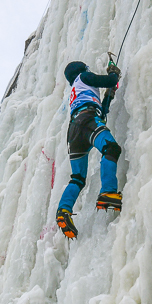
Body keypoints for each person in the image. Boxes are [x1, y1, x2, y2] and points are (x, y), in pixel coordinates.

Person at [56, 59, 122, 238]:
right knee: (111, 148)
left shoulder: (75, 91)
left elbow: (103, 109)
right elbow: (107, 80)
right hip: (87, 121)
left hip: (74, 132)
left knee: (78, 178)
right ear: (83, 70)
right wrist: (113, 74)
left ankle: (63, 211)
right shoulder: (84, 77)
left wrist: (109, 94)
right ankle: (108, 191)